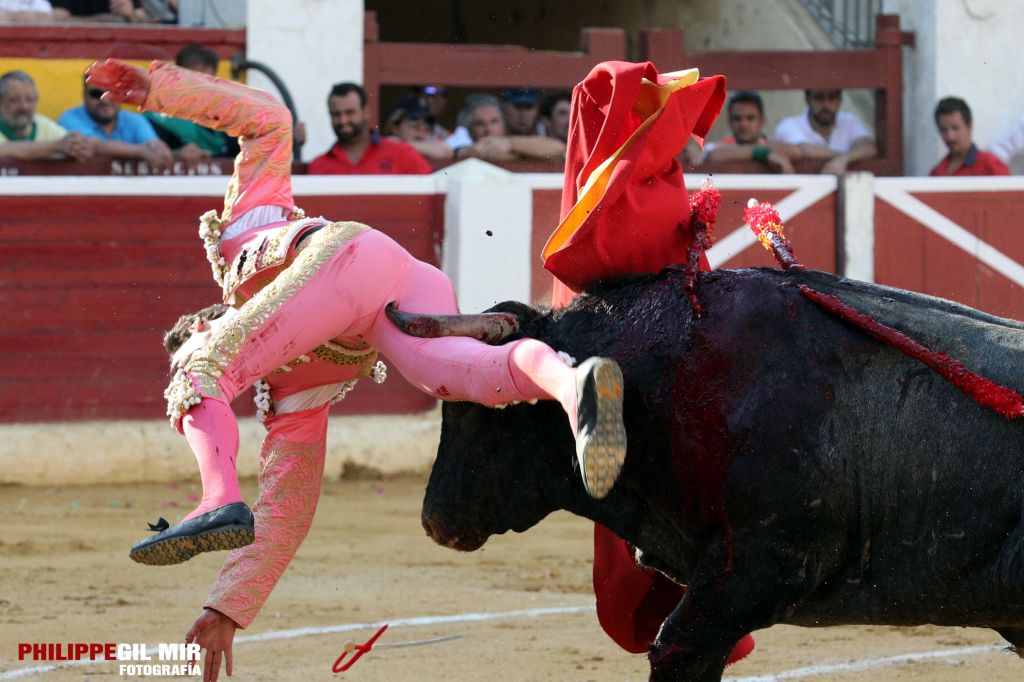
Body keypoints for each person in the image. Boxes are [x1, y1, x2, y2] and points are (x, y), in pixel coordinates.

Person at [86, 57, 627, 679]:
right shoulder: (290, 393)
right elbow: (289, 507)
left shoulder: (242, 240)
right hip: (400, 290)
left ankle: (216, 499)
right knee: (466, 378)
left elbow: (266, 122)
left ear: (204, 320)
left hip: (343, 259)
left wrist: (160, 89)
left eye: (192, 341)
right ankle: (573, 384)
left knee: (200, 374)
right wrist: (225, 610)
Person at [542, 61, 755, 665]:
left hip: (631, 368)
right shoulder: (646, 181)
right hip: (664, 374)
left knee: (647, 495)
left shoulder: (605, 185)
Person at [144, 44, 240, 164]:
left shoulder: (226, 120)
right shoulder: (157, 118)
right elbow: (146, 153)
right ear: (176, 78)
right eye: (194, 80)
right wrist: (177, 154)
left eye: (207, 81)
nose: (200, 88)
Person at [308, 82, 431, 175]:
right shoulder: (318, 166)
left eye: (350, 112)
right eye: (336, 114)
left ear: (366, 112)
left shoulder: (402, 153)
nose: (343, 120)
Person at [59, 71, 174, 171]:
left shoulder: (135, 120)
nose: (105, 100)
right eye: (96, 94)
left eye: (112, 93)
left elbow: (153, 146)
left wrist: (160, 149)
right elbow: (92, 145)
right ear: (84, 96)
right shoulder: (69, 118)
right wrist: (141, 151)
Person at [773, 88, 877, 174]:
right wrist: (845, 157)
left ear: (840, 100)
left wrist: (843, 160)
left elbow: (868, 147)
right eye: (819, 98)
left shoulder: (849, 120)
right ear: (808, 99)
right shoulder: (789, 124)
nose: (826, 105)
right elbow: (805, 150)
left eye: (832, 98)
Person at [0, 70, 93, 161]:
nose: (24, 107)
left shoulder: (42, 124)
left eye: (30, 99)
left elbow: (70, 144)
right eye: (14, 100)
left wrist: (79, 146)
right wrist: (55, 147)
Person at [448, 93, 565, 163]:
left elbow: (559, 147)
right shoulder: (462, 142)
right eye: (480, 124)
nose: (488, 129)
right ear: (469, 129)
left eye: (494, 122)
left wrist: (510, 143)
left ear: (504, 123)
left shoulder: (512, 142)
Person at [702, 91, 799, 173]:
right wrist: (764, 154)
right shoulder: (718, 148)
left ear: (762, 120)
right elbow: (713, 156)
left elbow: (795, 151)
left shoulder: (772, 146)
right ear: (730, 122)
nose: (743, 124)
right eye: (737, 118)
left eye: (750, 118)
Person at [929, 96, 1010, 177]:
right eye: (944, 130)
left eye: (955, 128)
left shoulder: (990, 165)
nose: (950, 137)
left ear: (969, 127)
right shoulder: (936, 173)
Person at [385, 96, 452, 162]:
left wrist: (400, 145)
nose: (422, 132)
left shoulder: (434, 141)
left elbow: (443, 151)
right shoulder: (385, 146)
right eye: (415, 126)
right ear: (395, 128)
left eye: (427, 128)